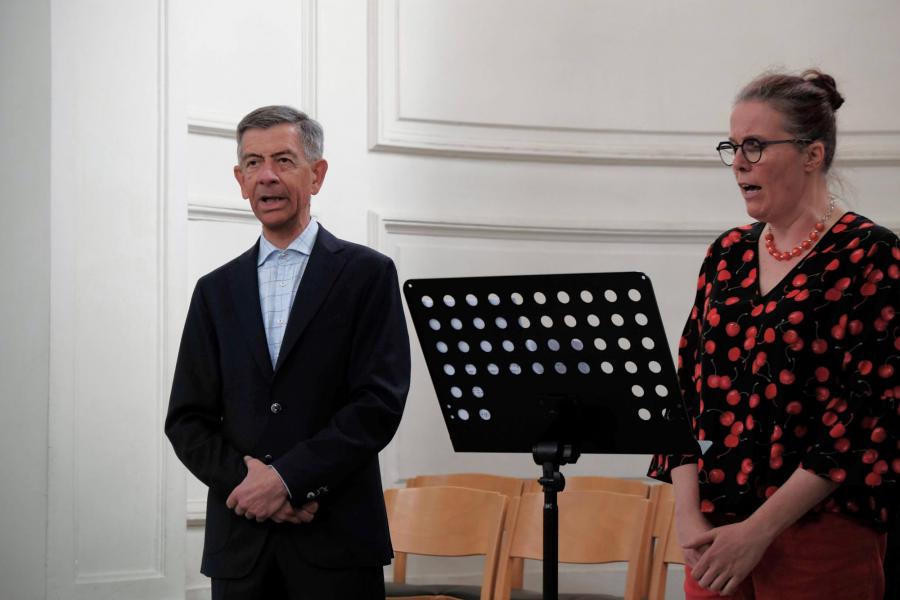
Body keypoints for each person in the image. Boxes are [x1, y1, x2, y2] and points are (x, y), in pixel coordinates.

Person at [649, 70, 898, 599]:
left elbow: (866, 421)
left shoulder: (871, 253)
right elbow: (685, 394)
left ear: (812, 154)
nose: (738, 162)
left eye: (756, 146)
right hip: (714, 534)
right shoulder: (727, 254)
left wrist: (759, 531)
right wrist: (689, 520)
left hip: (820, 533)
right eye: (733, 146)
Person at [165, 105, 410, 599]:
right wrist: (255, 487)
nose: (267, 176)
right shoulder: (214, 290)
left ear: (316, 175)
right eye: (253, 163)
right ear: (239, 179)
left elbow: (377, 405)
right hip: (241, 548)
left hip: (336, 543)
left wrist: (289, 481)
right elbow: (187, 419)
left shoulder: (368, 275)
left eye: (284, 160)